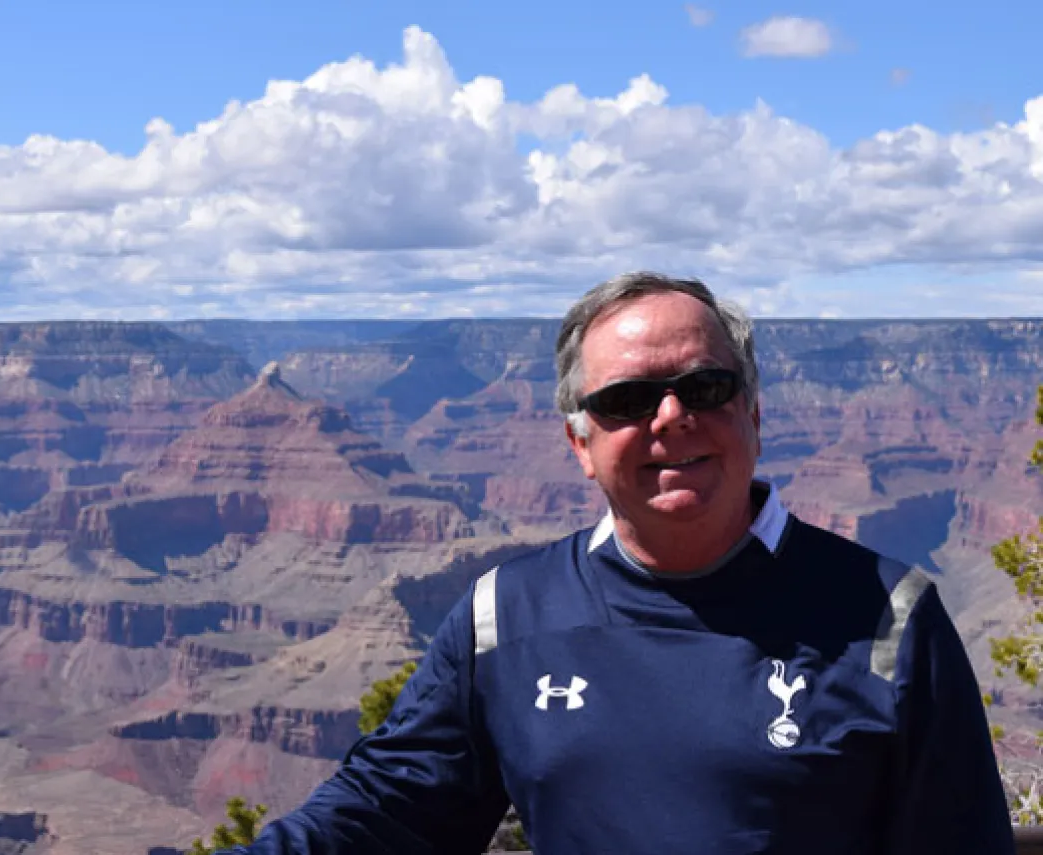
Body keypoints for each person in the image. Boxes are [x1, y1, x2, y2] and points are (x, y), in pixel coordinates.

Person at [223, 272, 1014, 854]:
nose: (672, 417)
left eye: (704, 385)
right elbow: (389, 806)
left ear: (755, 413)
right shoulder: (508, 615)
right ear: (579, 444)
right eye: (628, 401)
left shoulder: (889, 615)